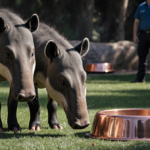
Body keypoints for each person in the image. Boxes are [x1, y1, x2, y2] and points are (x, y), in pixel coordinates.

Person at [131, 0, 150, 83]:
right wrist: (135, 35)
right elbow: (136, 22)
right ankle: (140, 79)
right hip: (143, 34)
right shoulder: (141, 6)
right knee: (142, 57)